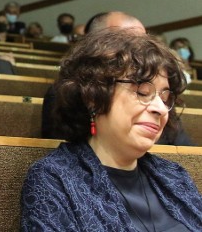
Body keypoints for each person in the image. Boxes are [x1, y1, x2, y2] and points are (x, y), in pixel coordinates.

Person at [21, 29, 202, 230]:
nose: (160, 108)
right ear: (93, 98)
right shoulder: (55, 179)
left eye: (165, 98)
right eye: (143, 91)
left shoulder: (175, 176)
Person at [40, 11, 193, 145]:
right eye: (123, 42)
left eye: (143, 43)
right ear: (93, 45)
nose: (139, 52)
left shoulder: (159, 97)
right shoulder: (68, 92)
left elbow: (186, 151)